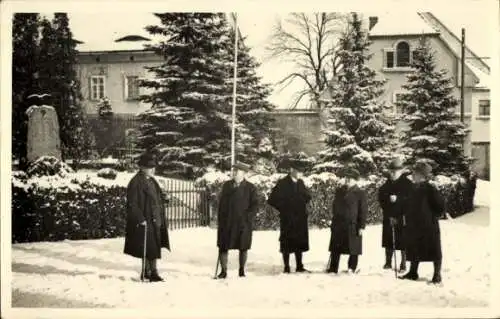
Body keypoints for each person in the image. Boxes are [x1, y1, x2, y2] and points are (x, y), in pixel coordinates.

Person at [124, 153, 170, 282]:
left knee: (154, 246)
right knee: (147, 246)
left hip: (155, 218)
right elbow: (132, 203)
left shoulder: (152, 180)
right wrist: (140, 219)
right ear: (142, 168)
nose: (153, 169)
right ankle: (146, 272)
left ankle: (153, 272)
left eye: (153, 167)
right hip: (146, 219)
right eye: (150, 167)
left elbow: (157, 196)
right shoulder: (136, 182)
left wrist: (164, 199)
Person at [400, 161, 445, 284]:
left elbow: (440, 206)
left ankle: (437, 274)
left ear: (422, 175)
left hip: (428, 225)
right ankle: (413, 272)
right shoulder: (411, 188)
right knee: (415, 248)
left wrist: (430, 217)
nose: (413, 175)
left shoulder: (430, 189)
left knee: (434, 249)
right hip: (414, 225)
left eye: (415, 173)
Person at [268, 159, 312, 273]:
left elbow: (307, 196)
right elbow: (272, 200)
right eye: (299, 171)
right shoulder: (282, 183)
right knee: (287, 242)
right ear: (292, 170)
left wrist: (303, 200)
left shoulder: (300, 183)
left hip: (300, 218)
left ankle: (299, 266)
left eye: (302, 172)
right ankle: (286, 267)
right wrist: (284, 208)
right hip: (288, 218)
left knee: (299, 241)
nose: (301, 174)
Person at [216, 162, 259, 279]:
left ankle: (241, 270)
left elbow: (255, 205)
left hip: (243, 223)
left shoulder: (250, 188)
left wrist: (248, 217)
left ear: (243, 173)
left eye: (237, 171)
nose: (234, 173)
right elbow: (222, 204)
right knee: (223, 246)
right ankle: (223, 271)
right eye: (233, 171)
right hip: (227, 222)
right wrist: (221, 219)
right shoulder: (227, 186)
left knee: (243, 247)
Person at [326, 167, 368, 274]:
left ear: (355, 180)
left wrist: (362, 226)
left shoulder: (360, 193)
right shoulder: (339, 191)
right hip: (339, 224)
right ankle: (333, 268)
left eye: (351, 178)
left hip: (353, 225)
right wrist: (333, 222)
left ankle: (352, 268)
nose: (348, 180)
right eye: (346, 178)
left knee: (354, 248)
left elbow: (363, 211)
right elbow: (335, 207)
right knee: (336, 247)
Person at [378, 158, 413, 272]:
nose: (392, 173)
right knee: (388, 239)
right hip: (389, 216)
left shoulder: (408, 185)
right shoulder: (386, 185)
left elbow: (411, 201)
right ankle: (388, 262)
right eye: (391, 171)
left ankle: (403, 263)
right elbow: (381, 199)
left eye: (395, 171)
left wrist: (398, 199)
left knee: (403, 241)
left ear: (401, 171)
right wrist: (387, 201)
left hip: (403, 217)